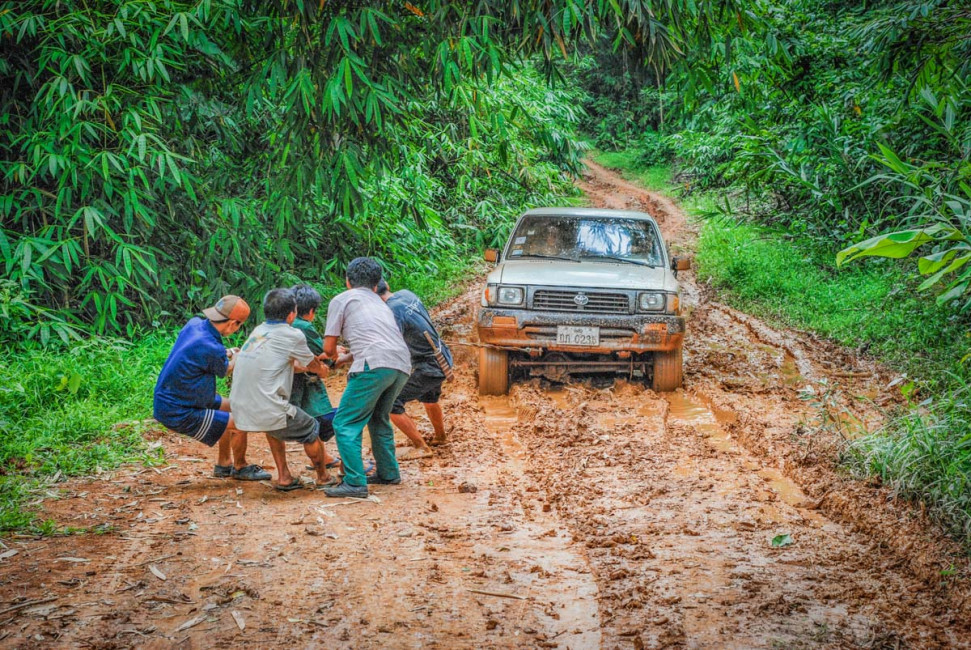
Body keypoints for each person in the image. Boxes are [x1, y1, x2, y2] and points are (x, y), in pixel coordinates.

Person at [321, 257, 411, 499]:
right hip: (400, 364)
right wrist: (346, 357)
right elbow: (378, 339)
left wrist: (331, 356)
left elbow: (329, 347)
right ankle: (388, 472)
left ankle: (354, 481)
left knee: (345, 423)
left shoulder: (342, 299)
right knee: (379, 418)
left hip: (373, 364)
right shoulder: (381, 303)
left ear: (347, 281)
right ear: (376, 285)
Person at [153, 295, 270, 481]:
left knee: (234, 407)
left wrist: (230, 352)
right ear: (233, 324)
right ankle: (241, 467)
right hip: (180, 409)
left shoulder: (194, 325)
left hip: (178, 397)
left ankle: (224, 464)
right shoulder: (211, 347)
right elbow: (226, 369)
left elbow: (201, 351)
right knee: (241, 420)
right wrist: (242, 355)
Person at [229, 288, 335, 491]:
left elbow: (278, 362)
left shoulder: (259, 331)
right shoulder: (292, 334)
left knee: (275, 425)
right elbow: (313, 366)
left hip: (240, 409)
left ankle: (284, 475)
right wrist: (323, 369)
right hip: (267, 408)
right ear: (291, 315)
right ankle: (323, 477)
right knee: (312, 428)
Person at [376, 280, 453, 459]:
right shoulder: (406, 294)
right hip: (441, 355)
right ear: (387, 284)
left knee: (391, 403)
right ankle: (440, 437)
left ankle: (421, 446)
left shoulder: (390, 312)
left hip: (429, 366)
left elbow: (392, 344)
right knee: (429, 397)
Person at [289, 284, 352, 471]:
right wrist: (336, 354)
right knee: (331, 419)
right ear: (311, 311)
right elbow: (325, 353)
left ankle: (324, 459)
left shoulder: (287, 324)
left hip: (289, 382)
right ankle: (346, 464)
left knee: (312, 421)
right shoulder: (305, 327)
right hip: (305, 384)